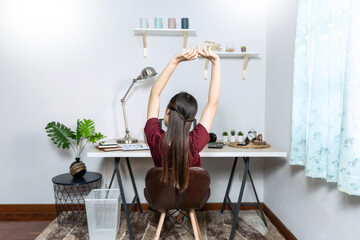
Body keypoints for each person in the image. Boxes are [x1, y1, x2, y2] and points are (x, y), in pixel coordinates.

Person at [144, 43, 221, 192]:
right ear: (190, 120)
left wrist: (175, 61)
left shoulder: (154, 137)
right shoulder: (195, 142)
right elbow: (213, 103)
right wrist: (215, 62)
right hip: (192, 196)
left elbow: (155, 94)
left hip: (162, 196)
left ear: (167, 112)